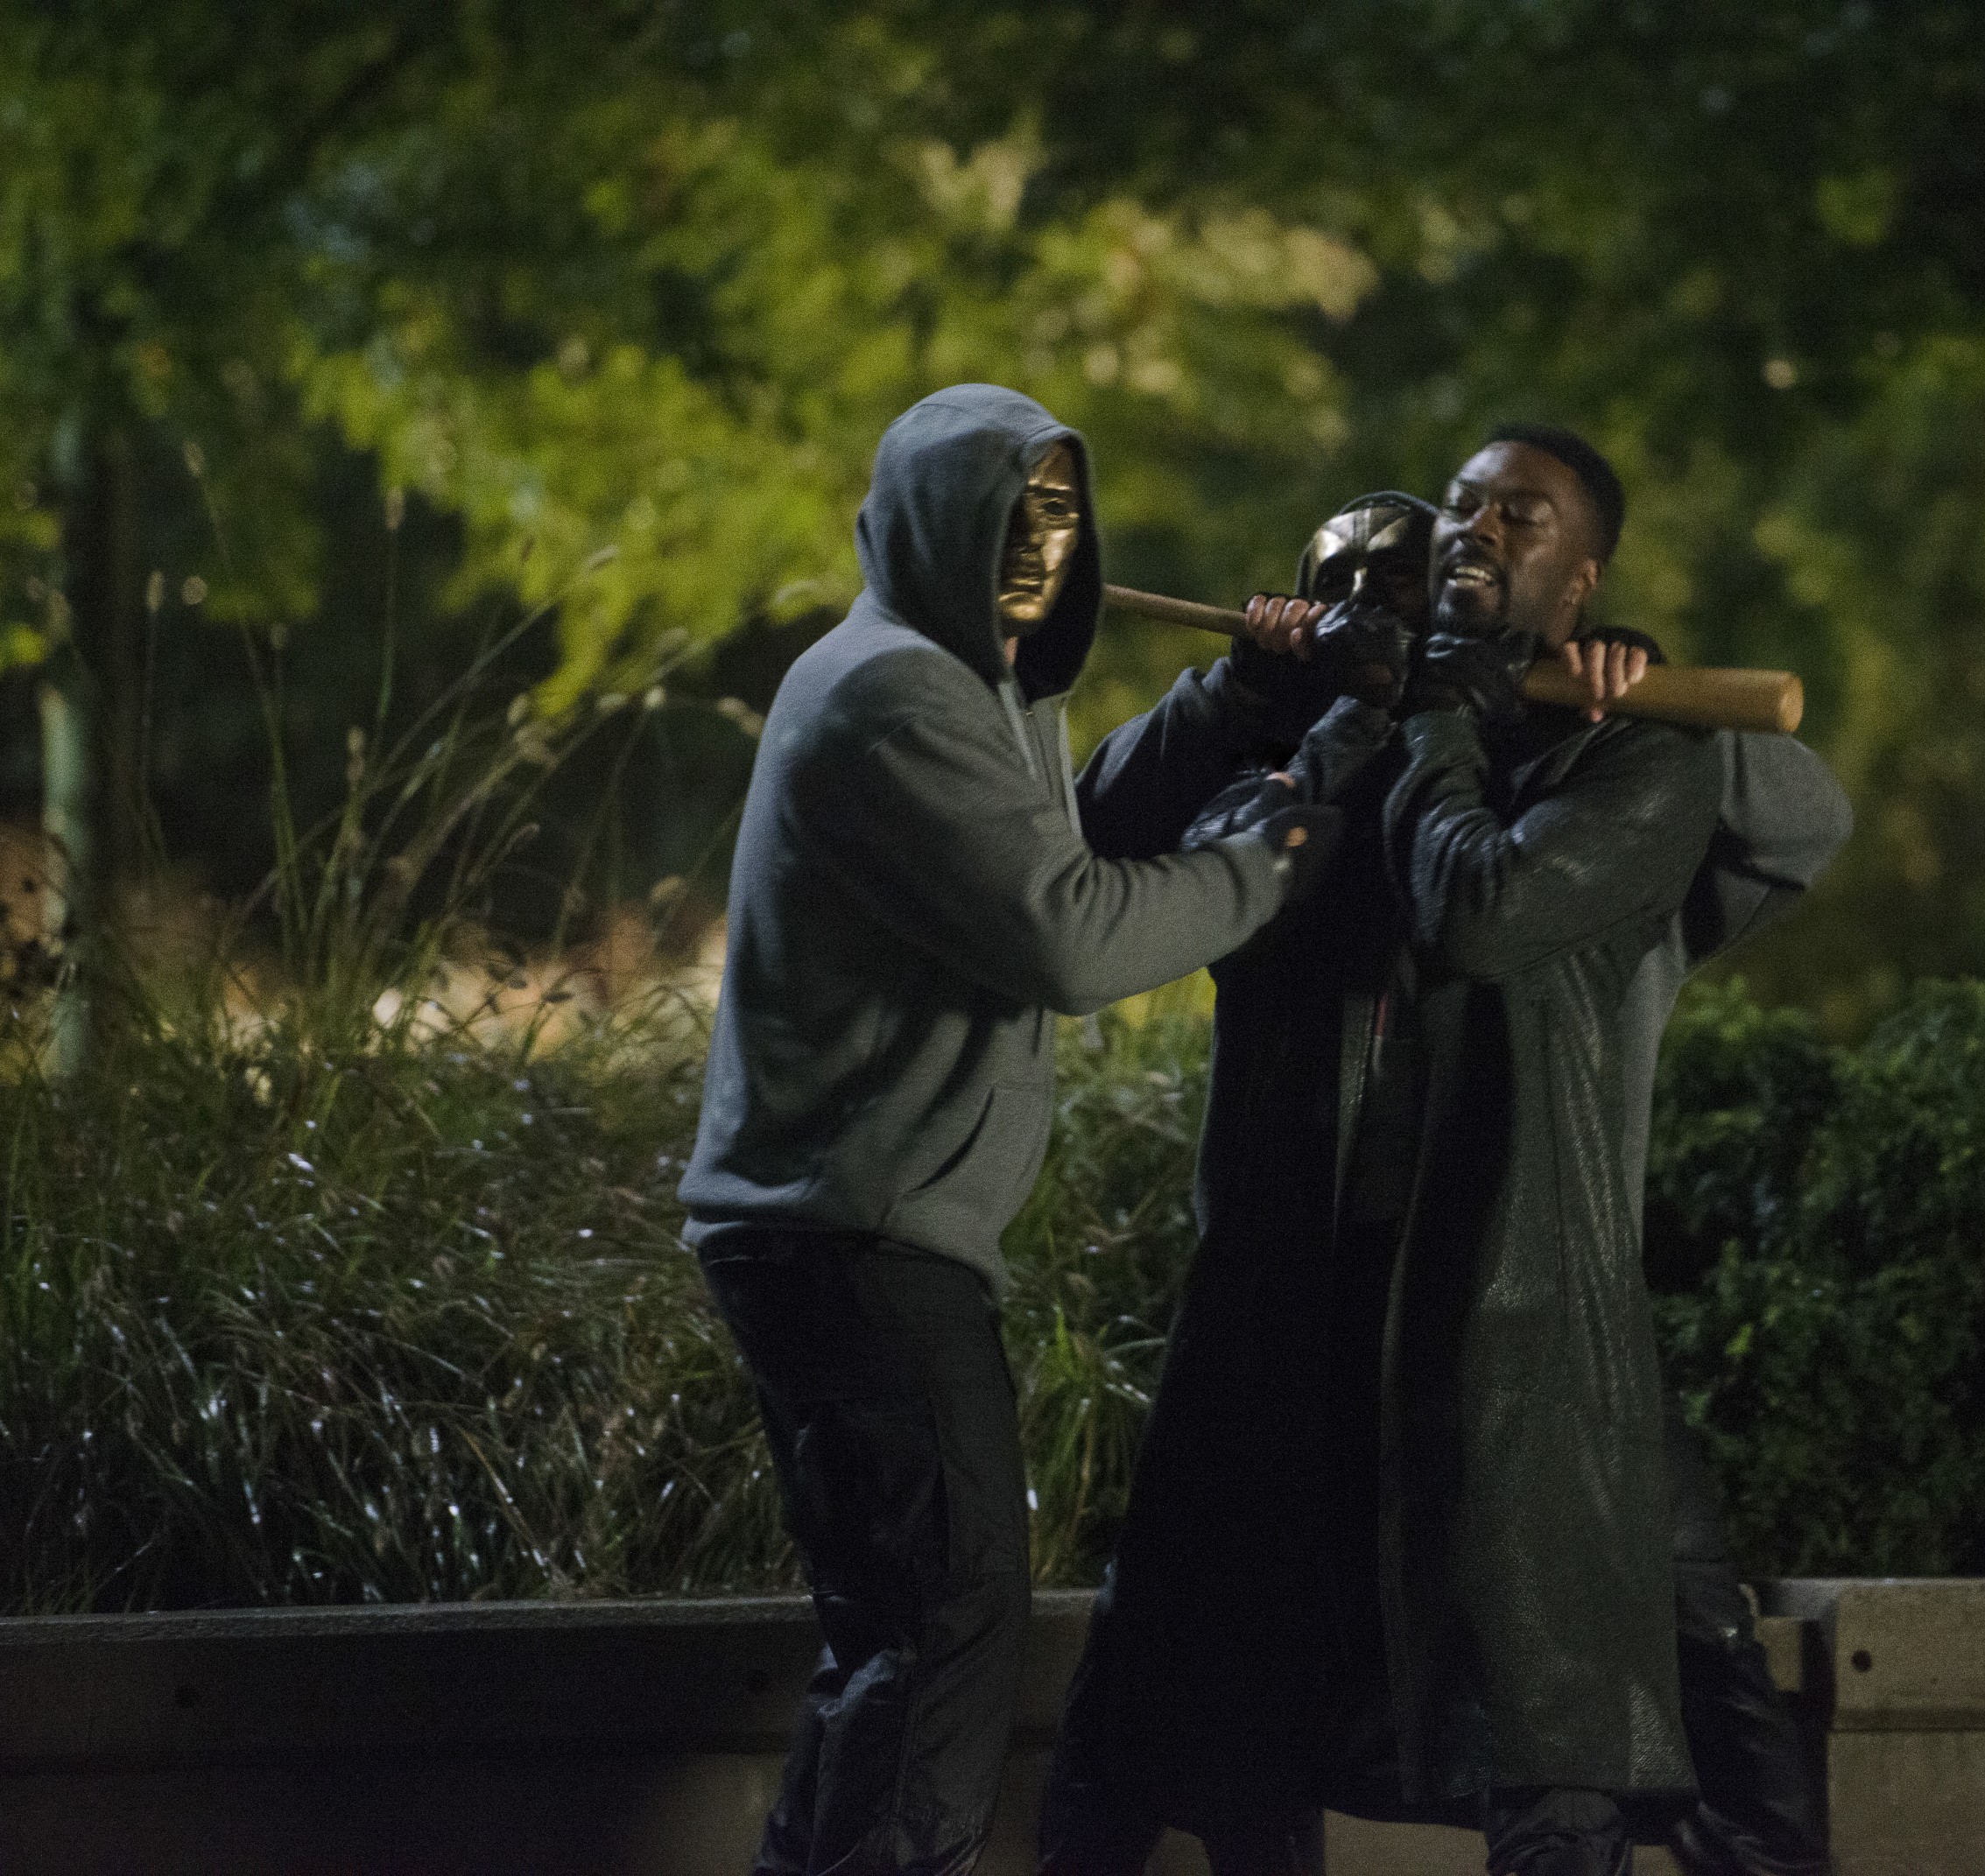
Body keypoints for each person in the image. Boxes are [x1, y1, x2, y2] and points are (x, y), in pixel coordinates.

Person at [1052, 427, 1818, 1876]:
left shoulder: (1610, 749)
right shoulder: (1331, 743)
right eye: (1461, 507)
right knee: (1201, 1687)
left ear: (1582, 580)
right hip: (1303, 1288)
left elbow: (1511, 903)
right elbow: (1105, 839)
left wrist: (1512, 705)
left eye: (1518, 516)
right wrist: (1251, 695)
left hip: (1522, 1283)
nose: (1477, 531)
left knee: (1590, 1677)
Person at [678, 383, 1330, 1876]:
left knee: (897, 1639)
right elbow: (1068, 932)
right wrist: (1274, 860)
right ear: (927, 525)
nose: (1044, 542)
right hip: (860, 1232)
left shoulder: (974, 689)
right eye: (1009, 513)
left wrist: (1229, 705)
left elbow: (1065, 833)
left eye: (1063, 512)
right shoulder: (893, 693)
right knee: (951, 1623)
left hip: (837, 1223)